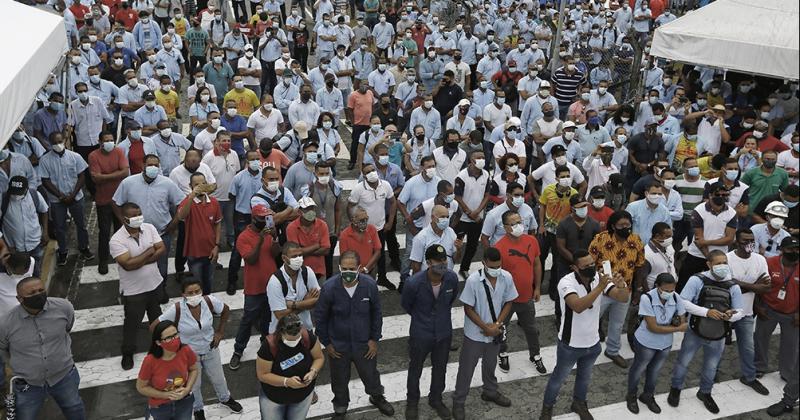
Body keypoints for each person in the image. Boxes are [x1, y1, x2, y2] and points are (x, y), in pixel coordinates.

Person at [539, 250, 630, 420]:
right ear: (574, 267)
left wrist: (622, 286)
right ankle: (547, 408)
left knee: (585, 377)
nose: (590, 267)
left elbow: (622, 298)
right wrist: (600, 287)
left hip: (592, 341)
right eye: (585, 266)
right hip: (570, 343)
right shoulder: (567, 283)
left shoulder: (598, 277)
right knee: (558, 378)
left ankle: (579, 403)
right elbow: (578, 306)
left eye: (592, 263)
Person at [314, 251, 395, 419]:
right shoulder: (329, 288)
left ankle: (377, 396)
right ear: (339, 268)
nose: (348, 272)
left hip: (364, 343)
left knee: (370, 374)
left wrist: (374, 339)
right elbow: (320, 318)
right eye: (344, 268)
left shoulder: (369, 285)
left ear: (359, 268)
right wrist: (327, 343)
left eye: (351, 268)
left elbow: (377, 313)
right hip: (338, 345)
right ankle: (340, 407)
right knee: (339, 379)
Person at [668, 250, 746, 414]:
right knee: (683, 361)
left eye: (725, 263)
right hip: (695, 330)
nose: (722, 266)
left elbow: (740, 311)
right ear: (709, 264)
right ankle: (675, 388)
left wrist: (730, 316)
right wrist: (706, 312)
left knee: (711, 366)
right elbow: (682, 302)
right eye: (718, 263)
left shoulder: (733, 286)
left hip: (718, 334)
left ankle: (705, 392)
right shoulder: (697, 280)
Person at [0, 277, 86, 420]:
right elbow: (2, 350)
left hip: (64, 376)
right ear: (20, 299)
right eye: (32, 293)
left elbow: (68, 327)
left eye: (41, 290)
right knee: (25, 416)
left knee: (74, 408)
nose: (38, 295)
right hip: (28, 383)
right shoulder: (6, 324)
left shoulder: (64, 308)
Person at [156, 278, 243, 417]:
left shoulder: (209, 302)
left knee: (219, 378)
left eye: (197, 291)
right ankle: (198, 409)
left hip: (211, 348)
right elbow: (155, 326)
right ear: (183, 294)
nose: (194, 295)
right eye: (190, 293)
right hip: (189, 355)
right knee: (194, 385)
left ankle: (225, 398)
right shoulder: (176, 309)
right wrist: (172, 343)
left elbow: (225, 310)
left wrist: (220, 331)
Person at [452, 247, 516, 420]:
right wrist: (485, 327)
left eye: (498, 266)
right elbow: (468, 308)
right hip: (475, 334)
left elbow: (509, 302)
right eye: (492, 266)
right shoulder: (473, 281)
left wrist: (497, 325)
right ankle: (458, 402)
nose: (496, 269)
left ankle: (490, 391)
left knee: (490, 364)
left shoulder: (506, 277)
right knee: (466, 369)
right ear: (484, 263)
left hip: (494, 331)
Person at [401, 244, 460, 420]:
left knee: (440, 368)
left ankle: (436, 399)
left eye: (444, 260)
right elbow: (407, 305)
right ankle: (412, 402)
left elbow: (451, 299)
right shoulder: (413, 283)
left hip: (443, 333)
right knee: (415, 368)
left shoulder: (451, 279)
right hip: (421, 333)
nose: (442, 263)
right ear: (428, 262)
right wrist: (423, 319)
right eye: (438, 260)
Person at [112, 154, 186, 286]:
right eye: (149, 165)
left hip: (161, 233)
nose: (153, 167)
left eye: (156, 165)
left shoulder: (167, 183)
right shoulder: (128, 183)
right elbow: (116, 202)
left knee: (161, 265)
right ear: (143, 166)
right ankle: (141, 290)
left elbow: (181, 203)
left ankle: (161, 290)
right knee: (138, 265)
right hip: (135, 235)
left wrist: (174, 223)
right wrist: (123, 221)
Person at [110, 202, 166, 370]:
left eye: (139, 214)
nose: (138, 218)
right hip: (134, 291)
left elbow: (161, 249)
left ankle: (161, 347)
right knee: (132, 324)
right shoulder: (117, 240)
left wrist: (140, 261)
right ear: (125, 218)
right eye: (134, 215)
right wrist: (149, 252)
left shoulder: (149, 228)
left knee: (157, 319)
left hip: (154, 284)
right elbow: (127, 265)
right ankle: (128, 352)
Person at [588, 210, 645, 368]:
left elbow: (640, 265)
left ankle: (612, 351)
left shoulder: (636, 239)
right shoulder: (600, 239)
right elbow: (589, 264)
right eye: (621, 225)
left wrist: (638, 288)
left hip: (624, 291)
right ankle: (585, 348)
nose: (626, 228)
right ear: (613, 226)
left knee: (618, 323)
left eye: (628, 225)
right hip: (603, 289)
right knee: (591, 319)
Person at [626, 273, 687, 414]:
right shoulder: (647, 298)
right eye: (666, 291)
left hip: (665, 343)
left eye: (672, 290)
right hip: (646, 342)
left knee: (654, 371)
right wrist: (677, 327)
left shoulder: (676, 298)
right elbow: (652, 327)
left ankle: (647, 396)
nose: (669, 293)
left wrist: (678, 322)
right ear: (657, 287)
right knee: (638, 369)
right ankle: (631, 396)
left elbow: (682, 318)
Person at [230, 204, 281, 370]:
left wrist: (274, 238)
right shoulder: (244, 237)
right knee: (248, 319)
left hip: (271, 285)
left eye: (267, 218)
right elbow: (251, 259)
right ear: (253, 219)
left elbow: (275, 254)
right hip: (254, 286)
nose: (266, 221)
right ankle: (238, 350)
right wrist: (260, 240)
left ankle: (266, 342)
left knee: (269, 317)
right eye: (262, 218)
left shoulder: (269, 232)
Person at [494, 210, 546, 373]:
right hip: (506, 300)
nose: (519, 226)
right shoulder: (499, 247)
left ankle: (535, 355)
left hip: (526, 297)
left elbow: (537, 264)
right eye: (514, 223)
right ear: (505, 227)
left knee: (531, 328)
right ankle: (501, 352)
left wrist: (537, 287)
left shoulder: (531, 241)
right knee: (501, 328)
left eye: (520, 222)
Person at [256, 313, 325, 420]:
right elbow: (263, 375)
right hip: (274, 399)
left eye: (297, 338)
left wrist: (313, 371)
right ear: (281, 333)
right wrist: (286, 382)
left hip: (303, 397)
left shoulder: (307, 337)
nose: (295, 342)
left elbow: (319, 358)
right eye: (290, 340)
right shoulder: (269, 346)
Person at [39, 133, 94, 266]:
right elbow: (45, 180)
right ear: (50, 144)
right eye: (54, 143)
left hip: (76, 197)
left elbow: (82, 176)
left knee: (81, 224)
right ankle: (63, 251)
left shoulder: (75, 157)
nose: (58, 145)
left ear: (64, 140)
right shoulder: (45, 160)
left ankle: (83, 247)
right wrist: (60, 196)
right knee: (59, 227)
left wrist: (73, 194)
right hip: (57, 201)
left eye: (59, 141)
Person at [754, 236, 799, 383]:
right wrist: (758, 306)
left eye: (797, 249)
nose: (794, 252)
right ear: (781, 250)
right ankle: (760, 366)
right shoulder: (770, 263)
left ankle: (787, 372)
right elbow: (759, 285)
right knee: (761, 339)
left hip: (792, 314)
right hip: (769, 309)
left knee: (791, 345)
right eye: (790, 249)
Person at [677, 183, 737, 291]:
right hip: (696, 255)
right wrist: (709, 257)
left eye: (724, 195)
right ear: (710, 195)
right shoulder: (699, 211)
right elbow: (699, 239)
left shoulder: (732, 213)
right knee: (684, 285)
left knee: (714, 288)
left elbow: (729, 239)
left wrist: (707, 242)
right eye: (718, 195)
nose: (721, 197)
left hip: (720, 257)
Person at [136, 320, 199, 420]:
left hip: (183, 403)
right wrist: (165, 395)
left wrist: (187, 389)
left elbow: (194, 369)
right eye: (168, 338)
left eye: (175, 335)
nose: (174, 340)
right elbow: (141, 387)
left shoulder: (185, 350)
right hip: (160, 408)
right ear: (158, 342)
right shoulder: (150, 361)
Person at [88, 131, 130, 274]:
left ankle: (121, 255)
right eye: (106, 140)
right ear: (100, 142)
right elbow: (95, 179)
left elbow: (125, 172)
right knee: (104, 232)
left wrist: (104, 176)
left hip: (120, 199)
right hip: (103, 200)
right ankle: (103, 260)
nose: (110, 142)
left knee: (121, 229)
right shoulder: (93, 156)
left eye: (111, 139)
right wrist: (116, 174)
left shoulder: (119, 151)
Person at [176, 173, 222, 295]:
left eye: (203, 183)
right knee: (197, 283)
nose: (200, 187)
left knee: (209, 282)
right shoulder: (187, 202)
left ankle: (208, 305)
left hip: (211, 251)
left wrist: (217, 245)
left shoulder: (214, 202)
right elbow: (181, 216)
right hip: (194, 253)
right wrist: (191, 197)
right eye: (196, 185)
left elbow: (217, 224)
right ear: (190, 186)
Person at [0, 176, 49, 277]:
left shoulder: (34, 195)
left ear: (26, 189)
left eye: (18, 192)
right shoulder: (3, 199)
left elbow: (44, 211)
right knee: (18, 276)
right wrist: (5, 245)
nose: (15, 195)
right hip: (15, 249)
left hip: (35, 244)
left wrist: (45, 232)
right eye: (13, 192)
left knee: (36, 271)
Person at [338, 207, 382, 278]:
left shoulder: (372, 229)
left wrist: (366, 268)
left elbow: (378, 251)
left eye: (366, 219)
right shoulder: (344, 236)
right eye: (362, 220)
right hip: (353, 273)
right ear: (353, 220)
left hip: (370, 270)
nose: (365, 222)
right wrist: (356, 271)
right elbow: (344, 258)